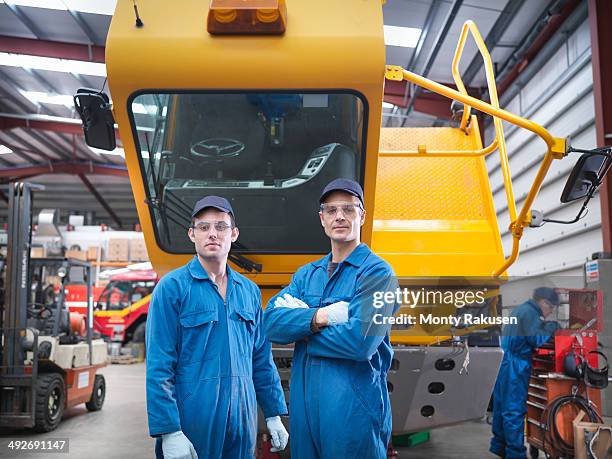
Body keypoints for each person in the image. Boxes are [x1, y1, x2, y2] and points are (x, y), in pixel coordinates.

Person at [263, 178, 399, 459]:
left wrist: (301, 331)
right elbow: (271, 323)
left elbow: (359, 342)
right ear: (322, 219)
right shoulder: (306, 275)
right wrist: (322, 317)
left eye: (348, 209)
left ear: (362, 215)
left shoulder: (378, 275)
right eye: (331, 210)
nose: (340, 216)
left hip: (353, 416)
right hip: (305, 417)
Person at [146, 196, 288, 459]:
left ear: (233, 234)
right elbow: (159, 365)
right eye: (204, 227)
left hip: (242, 422)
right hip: (193, 422)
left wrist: (273, 412)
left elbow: (261, 360)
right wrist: (169, 430)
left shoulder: (249, 292)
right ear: (192, 234)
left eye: (221, 227)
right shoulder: (172, 289)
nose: (212, 233)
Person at [490, 287, 561, 459]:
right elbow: (536, 339)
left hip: (504, 361)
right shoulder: (531, 313)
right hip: (515, 365)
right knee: (513, 409)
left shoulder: (520, 309)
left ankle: (500, 447)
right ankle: (515, 454)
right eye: (550, 307)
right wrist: (553, 326)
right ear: (543, 302)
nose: (550, 312)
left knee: (501, 408)